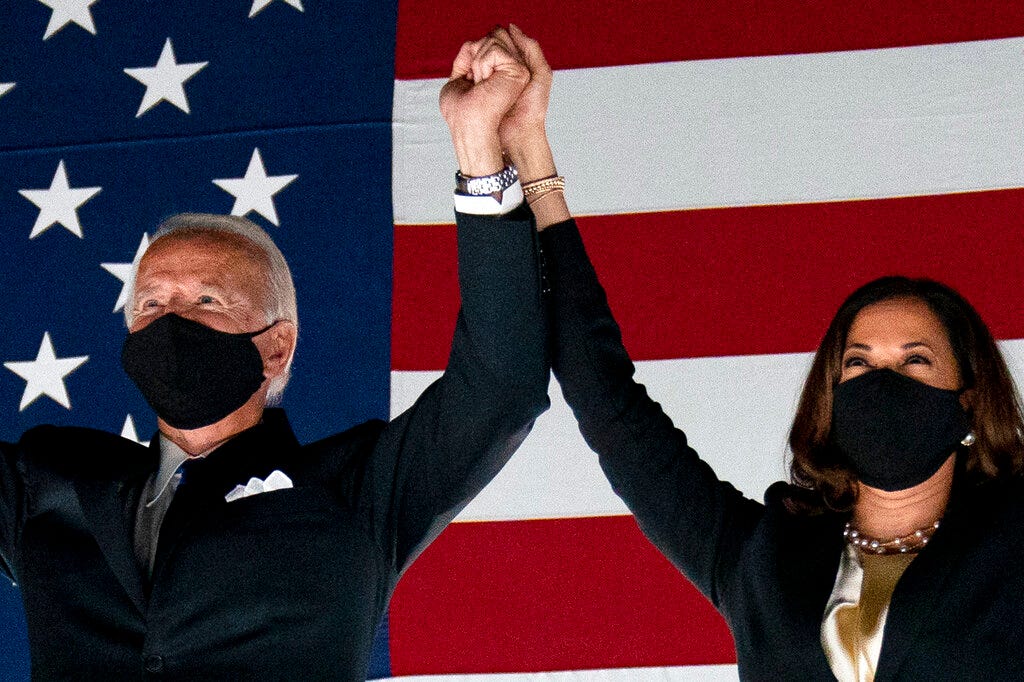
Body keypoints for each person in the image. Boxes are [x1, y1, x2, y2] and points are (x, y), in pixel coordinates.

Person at [480, 26, 1024, 680]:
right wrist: (529, 153)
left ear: (970, 398)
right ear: (830, 395)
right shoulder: (766, 558)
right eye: (857, 363)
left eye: (915, 361)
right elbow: (610, 410)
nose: (882, 380)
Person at [0, 36, 548, 680]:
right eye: (150, 303)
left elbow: (501, 389)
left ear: (277, 344)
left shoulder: (353, 490)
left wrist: (480, 151)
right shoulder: (50, 480)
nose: (171, 321)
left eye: (207, 299)